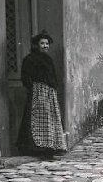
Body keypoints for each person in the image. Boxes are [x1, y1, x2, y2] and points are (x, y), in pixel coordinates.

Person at [16, 30, 66, 159]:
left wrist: (52, 89)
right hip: (37, 93)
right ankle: (37, 148)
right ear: (37, 45)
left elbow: (53, 76)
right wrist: (34, 88)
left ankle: (50, 147)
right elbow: (25, 76)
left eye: (47, 43)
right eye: (42, 43)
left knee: (50, 118)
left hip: (49, 93)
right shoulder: (30, 59)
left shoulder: (48, 60)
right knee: (37, 118)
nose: (45, 46)